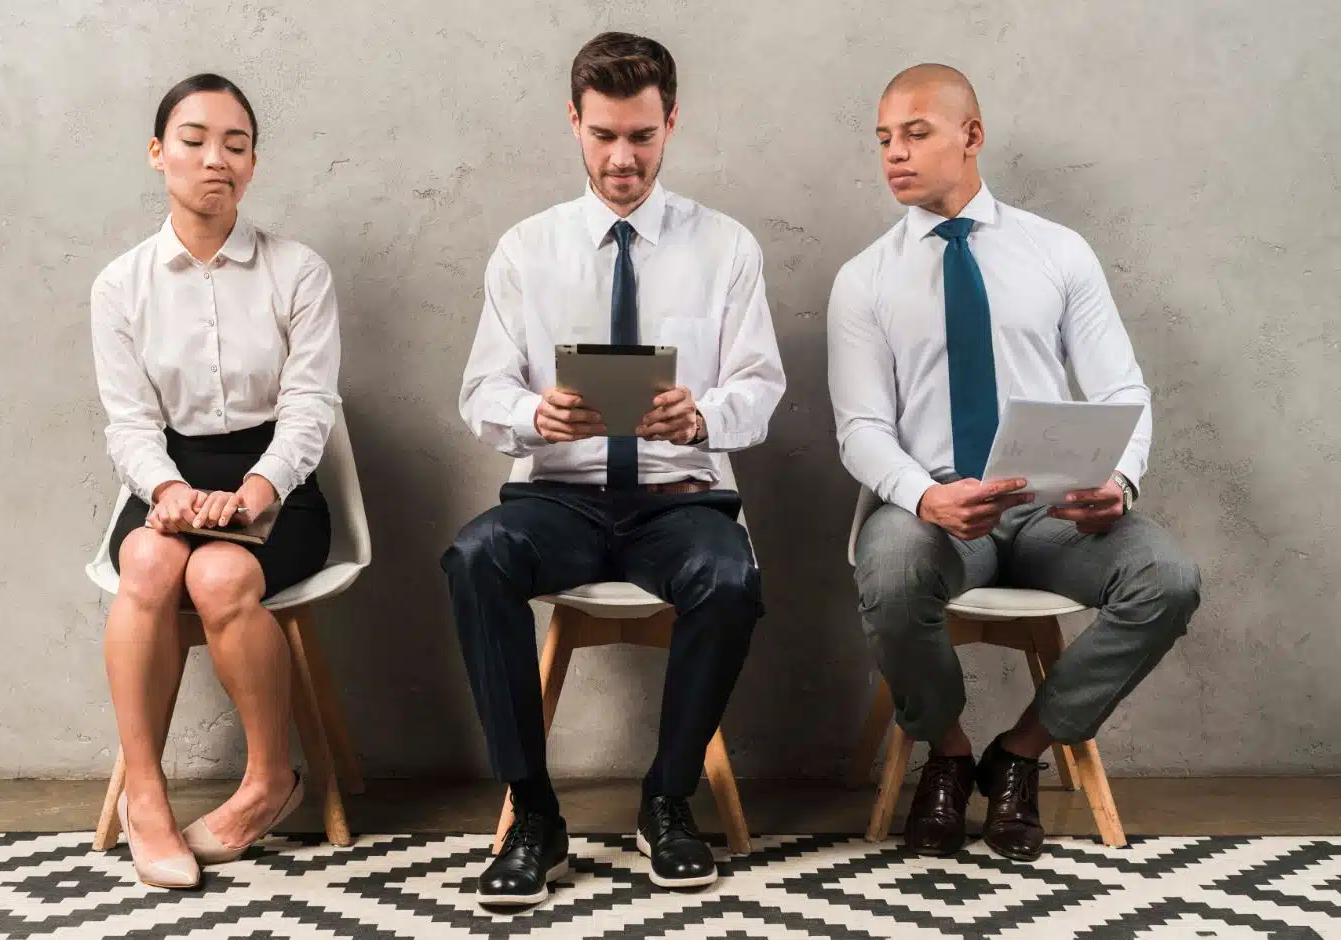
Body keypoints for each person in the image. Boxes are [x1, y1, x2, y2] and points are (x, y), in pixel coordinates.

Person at [443, 32, 785, 906]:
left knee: (730, 577)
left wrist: (703, 412)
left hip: (682, 499)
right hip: (560, 497)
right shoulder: (526, 249)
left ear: (672, 123)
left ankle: (667, 798)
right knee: (476, 556)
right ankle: (536, 814)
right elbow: (481, 391)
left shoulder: (727, 247)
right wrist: (533, 412)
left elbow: (763, 387)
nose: (622, 158)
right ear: (574, 123)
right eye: (603, 136)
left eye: (641, 135)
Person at [827, 64, 1201, 861]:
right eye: (884, 138)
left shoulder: (1058, 253)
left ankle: (1021, 753)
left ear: (973, 134)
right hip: (935, 507)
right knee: (889, 568)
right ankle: (950, 754)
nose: (894, 153)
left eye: (916, 133)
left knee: (1166, 578)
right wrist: (926, 499)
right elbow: (861, 430)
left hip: (1051, 507)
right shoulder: (864, 280)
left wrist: (1120, 481)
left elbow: (1123, 387)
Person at [91, 73, 340, 888]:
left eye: (235, 144)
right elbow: (129, 422)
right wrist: (166, 493)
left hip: (279, 480)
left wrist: (260, 489)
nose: (215, 160)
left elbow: (310, 408)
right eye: (194, 141)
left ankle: (270, 781)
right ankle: (148, 797)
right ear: (158, 154)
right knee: (153, 563)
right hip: (172, 472)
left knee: (223, 569)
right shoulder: (120, 284)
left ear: (254, 164)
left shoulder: (298, 271)